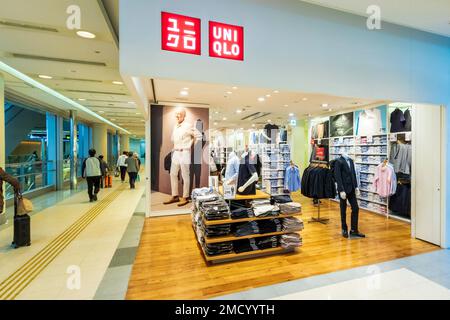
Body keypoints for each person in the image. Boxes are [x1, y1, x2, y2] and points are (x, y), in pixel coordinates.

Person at [163, 108, 202, 207]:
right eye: (176, 114)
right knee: (173, 173)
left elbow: (199, 136)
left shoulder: (188, 125)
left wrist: (191, 145)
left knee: (185, 175)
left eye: (179, 114)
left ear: (184, 115)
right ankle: (175, 195)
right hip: (176, 152)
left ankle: (185, 197)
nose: (177, 116)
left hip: (185, 152)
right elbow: (173, 139)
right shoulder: (175, 126)